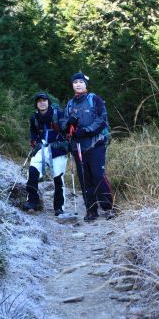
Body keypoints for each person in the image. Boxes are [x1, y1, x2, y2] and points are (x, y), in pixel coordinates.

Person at [61, 72, 115, 222]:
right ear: (72, 85)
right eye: (75, 82)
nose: (78, 84)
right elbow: (63, 123)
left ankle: (108, 208)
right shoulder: (70, 104)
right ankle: (91, 210)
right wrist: (68, 124)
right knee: (85, 179)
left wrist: (86, 131)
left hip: (95, 144)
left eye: (81, 82)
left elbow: (102, 119)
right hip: (77, 147)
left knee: (98, 175)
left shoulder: (95, 99)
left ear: (86, 84)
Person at [23, 92, 69, 216]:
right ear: (36, 104)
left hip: (58, 149)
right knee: (32, 172)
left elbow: (66, 128)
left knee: (58, 178)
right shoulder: (34, 117)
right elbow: (33, 132)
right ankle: (33, 202)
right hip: (42, 149)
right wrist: (34, 142)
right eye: (39, 101)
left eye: (44, 100)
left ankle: (59, 207)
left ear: (48, 102)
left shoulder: (58, 113)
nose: (42, 103)